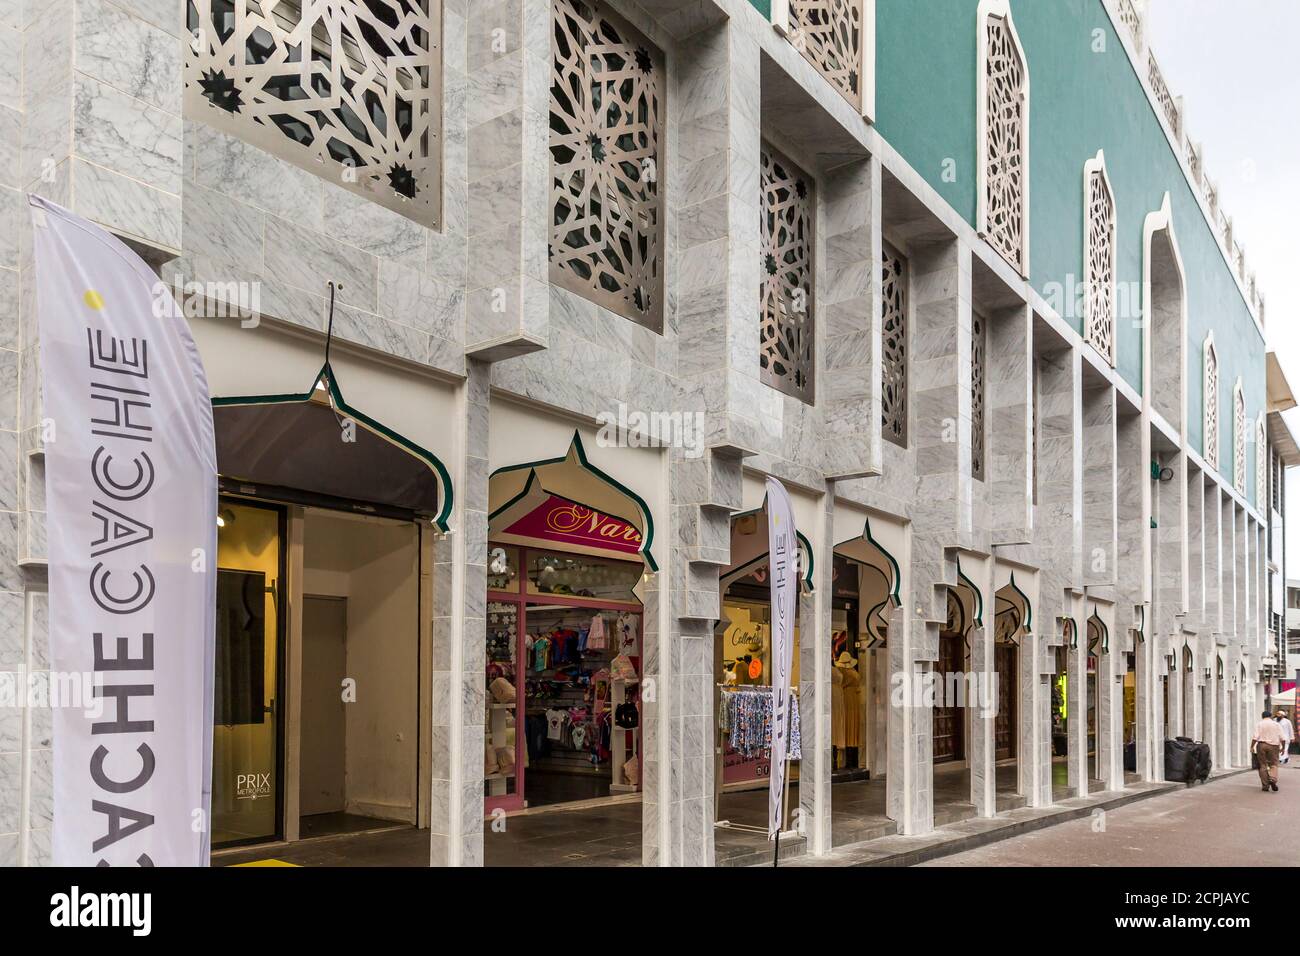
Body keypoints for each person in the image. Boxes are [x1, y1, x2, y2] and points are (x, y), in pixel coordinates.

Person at [1252, 709, 1284, 792]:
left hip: (1261, 745)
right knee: (1274, 764)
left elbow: (1255, 737)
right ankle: (1272, 779)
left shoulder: (1259, 724)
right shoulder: (1276, 724)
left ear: (1262, 716)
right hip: (1274, 746)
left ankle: (1265, 785)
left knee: (1262, 765)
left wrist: (1252, 746)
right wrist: (1283, 747)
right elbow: (1282, 738)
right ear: (1270, 716)